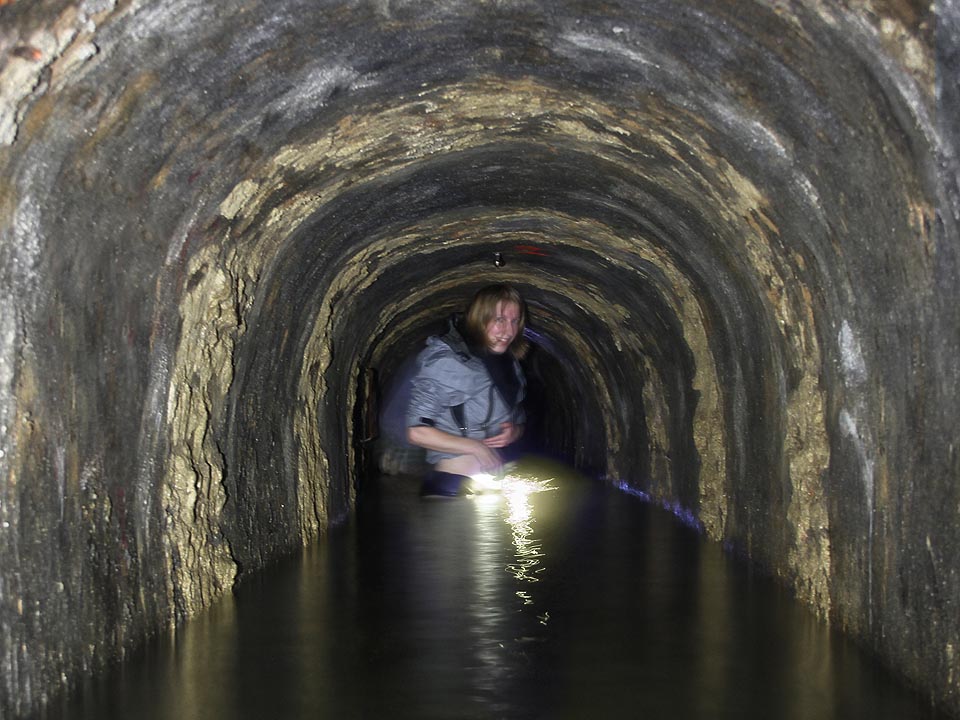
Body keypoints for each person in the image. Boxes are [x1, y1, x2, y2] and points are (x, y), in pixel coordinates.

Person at [406, 284, 528, 497]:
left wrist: (514, 432)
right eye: (499, 320)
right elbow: (417, 431)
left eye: (514, 321)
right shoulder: (447, 360)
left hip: (486, 491)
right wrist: (477, 448)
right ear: (480, 319)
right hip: (450, 491)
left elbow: (519, 419)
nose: (508, 331)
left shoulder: (509, 364)